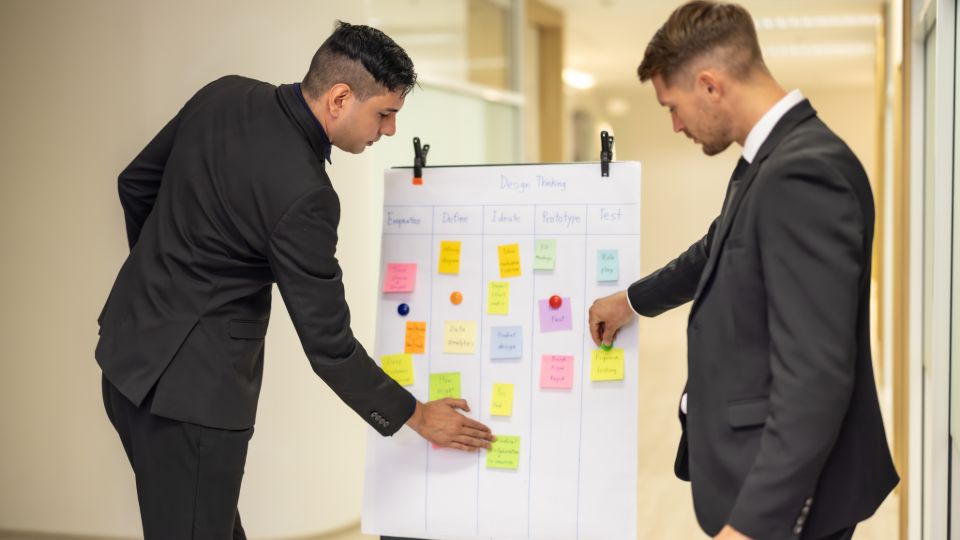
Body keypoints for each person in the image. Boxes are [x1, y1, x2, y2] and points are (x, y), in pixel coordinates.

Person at [96, 22, 494, 539]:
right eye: (384, 114)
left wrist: (168, 281)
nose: (391, 130)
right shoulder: (307, 196)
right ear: (340, 98)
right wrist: (416, 415)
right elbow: (329, 348)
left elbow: (135, 184)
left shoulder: (223, 94)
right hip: (193, 399)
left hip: (126, 358)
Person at [587, 2, 898, 539]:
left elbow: (815, 379)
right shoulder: (772, 158)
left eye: (672, 106)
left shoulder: (802, 173)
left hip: (790, 505)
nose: (676, 124)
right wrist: (631, 301)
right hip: (759, 478)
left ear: (710, 85)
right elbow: (717, 248)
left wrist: (753, 526)